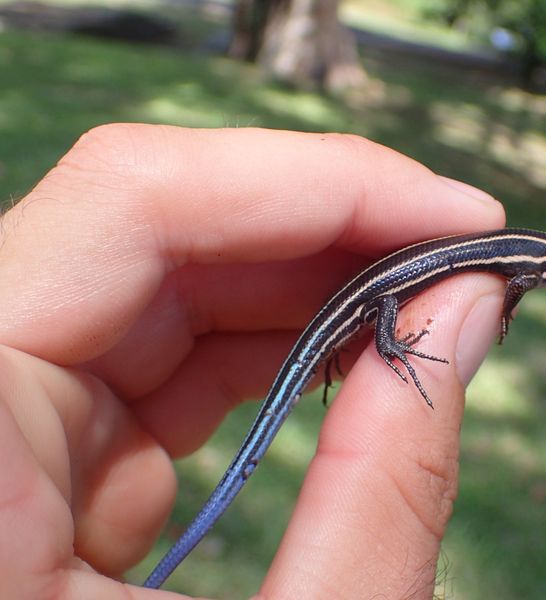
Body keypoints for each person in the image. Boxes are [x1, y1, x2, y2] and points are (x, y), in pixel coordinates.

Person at [0, 124, 507, 599]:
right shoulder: (521, 260)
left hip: (350, 309)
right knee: (370, 326)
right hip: (360, 304)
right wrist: (390, 345)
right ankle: (386, 347)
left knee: (339, 340)